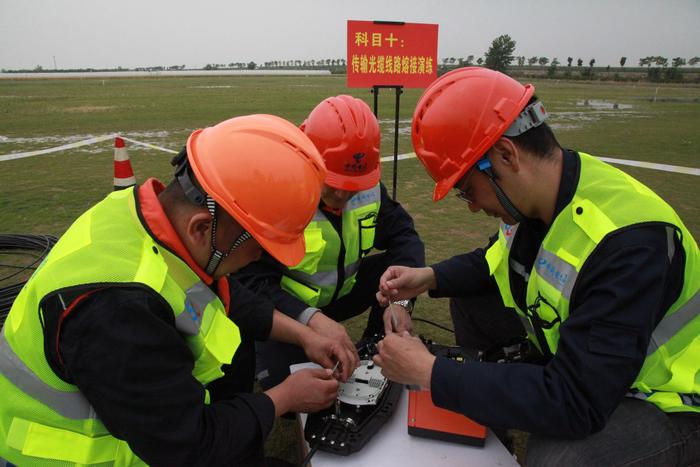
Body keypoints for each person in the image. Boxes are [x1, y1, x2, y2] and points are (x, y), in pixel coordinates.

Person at [373, 67, 700, 466]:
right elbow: (493, 262)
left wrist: (431, 373)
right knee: (470, 300)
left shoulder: (629, 243)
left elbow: (578, 401)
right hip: (593, 362)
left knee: (559, 456)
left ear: (506, 155)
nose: (473, 205)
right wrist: (428, 278)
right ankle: (495, 425)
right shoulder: (539, 199)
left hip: (670, 401)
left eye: (466, 190)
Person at [0, 115, 354, 466]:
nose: (261, 257)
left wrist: (305, 335)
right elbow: (190, 447)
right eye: (260, 244)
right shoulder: (119, 311)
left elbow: (225, 295)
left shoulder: (146, 219)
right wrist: (285, 397)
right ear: (203, 227)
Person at [235, 95, 425, 389]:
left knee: (393, 270)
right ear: (309, 157)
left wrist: (400, 301)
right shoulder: (278, 195)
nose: (343, 196)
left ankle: (376, 344)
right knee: (284, 387)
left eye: (354, 185)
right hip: (288, 309)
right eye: (334, 184)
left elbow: (406, 238)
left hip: (341, 296)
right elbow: (252, 281)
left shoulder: (370, 188)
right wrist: (311, 320)